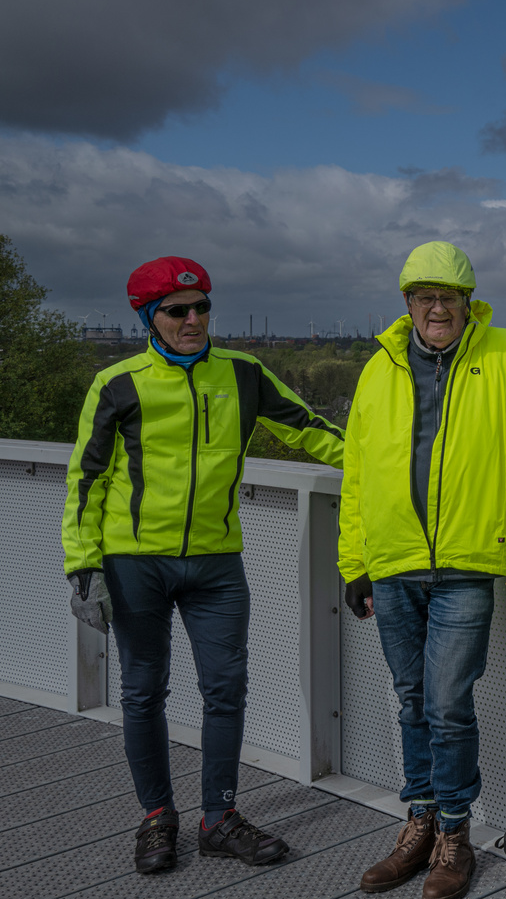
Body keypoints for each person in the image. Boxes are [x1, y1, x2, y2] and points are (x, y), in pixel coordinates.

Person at [61, 256, 345, 875]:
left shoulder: (244, 373)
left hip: (217, 563)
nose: (193, 320)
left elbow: (311, 430)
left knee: (225, 689)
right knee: (142, 693)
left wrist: (389, 469)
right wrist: (82, 567)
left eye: (202, 306)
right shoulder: (117, 382)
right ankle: (157, 818)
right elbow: (84, 480)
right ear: (148, 317)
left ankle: (218, 820)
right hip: (135, 561)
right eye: (177, 310)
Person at [340, 241, 506, 899]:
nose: (436, 307)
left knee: (445, 705)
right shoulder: (378, 369)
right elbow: (356, 472)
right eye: (423, 296)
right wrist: (354, 560)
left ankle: (454, 839)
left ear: (470, 303)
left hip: (470, 562)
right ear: (407, 304)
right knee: (412, 701)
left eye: (448, 296)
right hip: (392, 564)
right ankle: (418, 824)